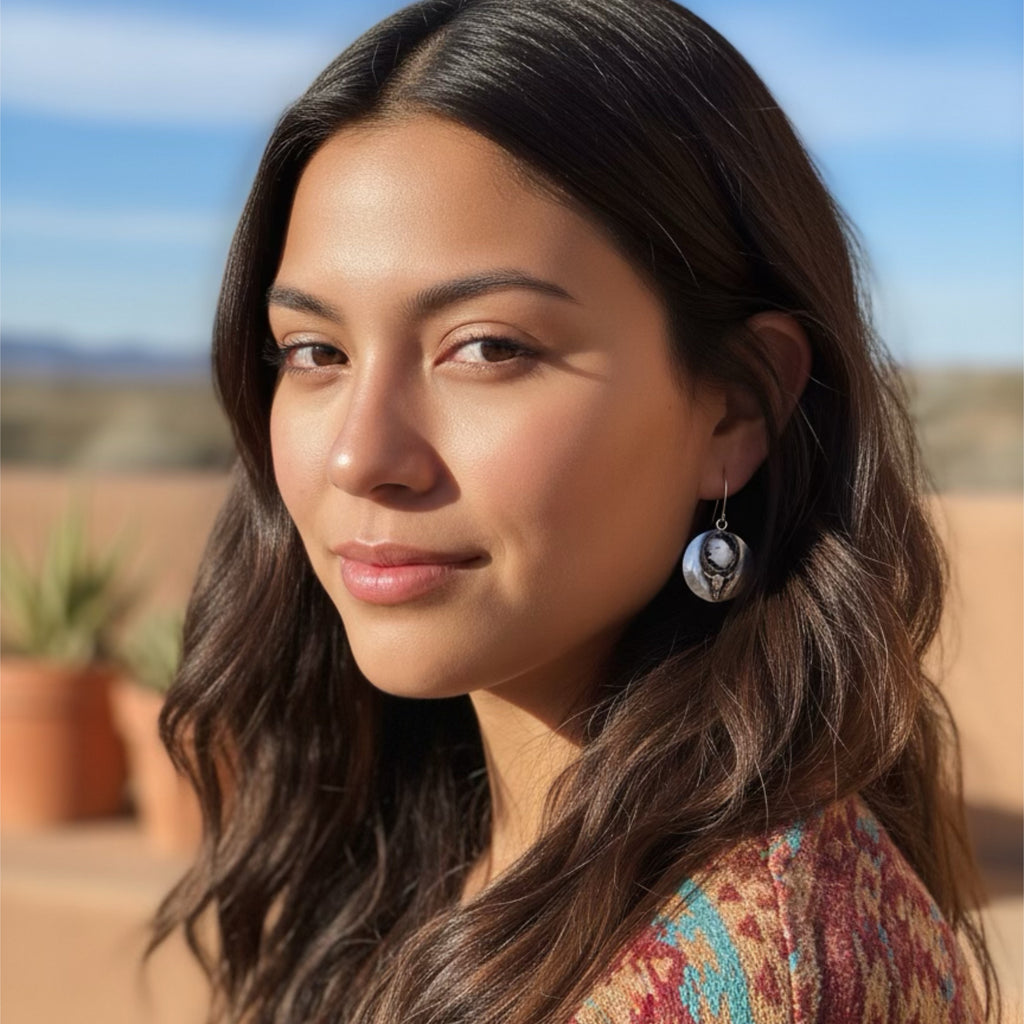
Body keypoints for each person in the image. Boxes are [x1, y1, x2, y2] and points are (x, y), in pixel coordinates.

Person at [149, 1, 997, 1020]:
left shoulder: (758, 978)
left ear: (737, 406)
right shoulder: (420, 852)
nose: (359, 455)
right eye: (314, 352)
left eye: (488, 347)